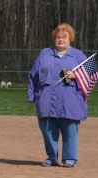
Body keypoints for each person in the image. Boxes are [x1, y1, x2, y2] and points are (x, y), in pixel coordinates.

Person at [27, 23, 91, 167]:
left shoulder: (78, 55)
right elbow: (33, 75)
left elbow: (91, 74)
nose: (60, 39)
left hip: (71, 99)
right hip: (46, 98)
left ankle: (70, 158)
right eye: (58, 37)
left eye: (64, 37)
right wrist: (31, 95)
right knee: (48, 129)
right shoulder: (44, 53)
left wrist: (75, 75)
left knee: (70, 131)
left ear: (71, 39)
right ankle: (51, 157)